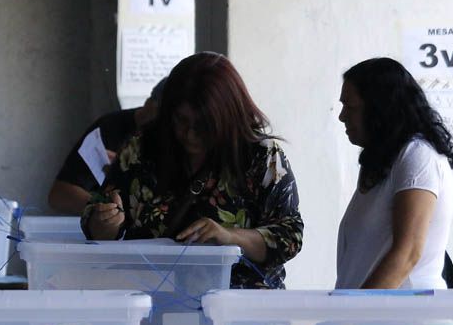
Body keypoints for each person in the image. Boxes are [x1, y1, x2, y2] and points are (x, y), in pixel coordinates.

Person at [83, 52, 303, 289]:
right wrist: (105, 223)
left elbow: (289, 237)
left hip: (238, 310)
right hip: (155, 303)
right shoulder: (142, 149)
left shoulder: (262, 156)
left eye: (203, 125)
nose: (189, 135)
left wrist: (230, 236)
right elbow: (95, 220)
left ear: (228, 118)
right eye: (181, 121)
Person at [335, 57, 453, 289]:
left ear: (379, 108)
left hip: (409, 322)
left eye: (351, 107)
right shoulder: (384, 161)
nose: (342, 116)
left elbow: (407, 254)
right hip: (374, 321)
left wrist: (352, 317)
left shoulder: (417, 156)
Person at [48, 79, 165, 215]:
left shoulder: (179, 143)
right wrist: (104, 209)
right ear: (150, 103)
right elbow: (59, 195)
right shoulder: (110, 128)